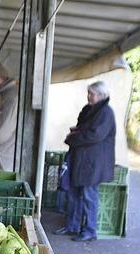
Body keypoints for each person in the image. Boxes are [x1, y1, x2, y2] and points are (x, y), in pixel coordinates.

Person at [54, 81, 116, 242]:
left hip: (93, 164)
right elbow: (84, 129)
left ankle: (90, 230)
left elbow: (95, 135)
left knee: (89, 196)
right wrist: (75, 133)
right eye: (88, 93)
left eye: (92, 93)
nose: (89, 96)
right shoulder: (89, 109)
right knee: (73, 194)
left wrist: (73, 138)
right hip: (81, 160)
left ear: (101, 95)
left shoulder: (105, 113)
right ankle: (73, 226)